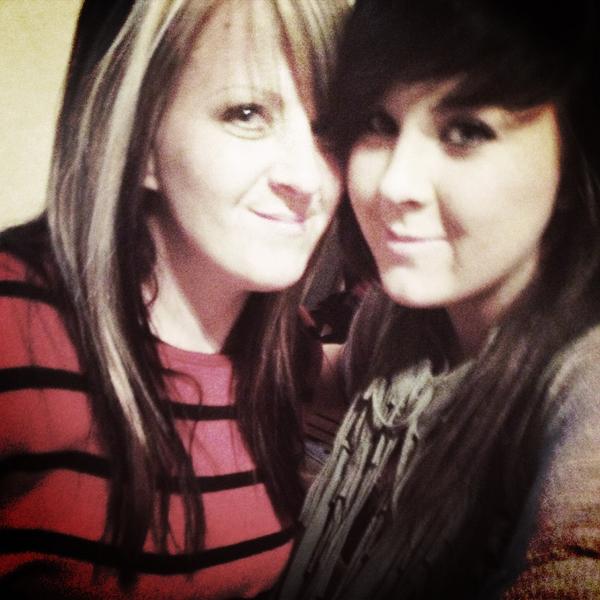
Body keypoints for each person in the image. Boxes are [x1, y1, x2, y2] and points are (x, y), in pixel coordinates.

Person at [0, 0, 349, 596]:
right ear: (138, 140)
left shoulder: (288, 355)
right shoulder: (15, 324)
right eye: (247, 113)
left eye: (327, 127)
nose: (308, 179)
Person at [278, 0, 600, 598]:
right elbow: (340, 377)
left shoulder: (583, 376)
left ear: (573, 155)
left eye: (466, 131)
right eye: (379, 123)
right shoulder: (399, 317)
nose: (395, 184)